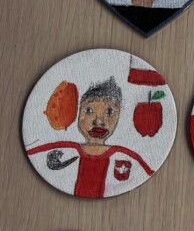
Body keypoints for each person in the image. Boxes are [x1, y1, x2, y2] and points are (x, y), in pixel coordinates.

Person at [25, 78, 153, 199]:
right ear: (78, 112)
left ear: (119, 116)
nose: (99, 121)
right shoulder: (58, 153)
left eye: (109, 112)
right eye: (89, 111)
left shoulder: (128, 159)